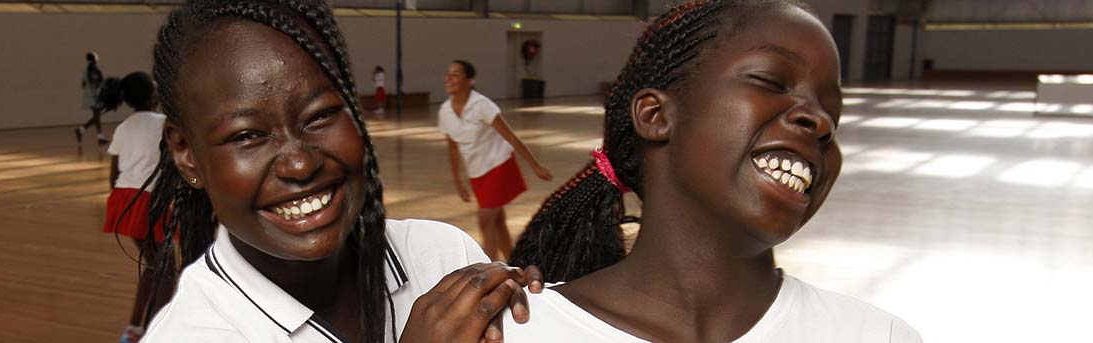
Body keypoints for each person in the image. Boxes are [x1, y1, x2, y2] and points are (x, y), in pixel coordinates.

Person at [503, 1, 921, 342]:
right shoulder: (513, 332)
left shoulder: (875, 335)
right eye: (771, 81)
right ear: (655, 115)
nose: (821, 122)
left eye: (832, 113)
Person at [138, 1, 541, 342]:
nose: (300, 163)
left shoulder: (441, 254)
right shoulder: (193, 333)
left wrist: (543, 313)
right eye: (247, 135)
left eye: (322, 115)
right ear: (186, 153)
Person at [439, 60, 553, 262]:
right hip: (477, 172)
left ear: (469, 80)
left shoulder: (482, 104)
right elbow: (453, 149)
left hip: (499, 164)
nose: (449, 78)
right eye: (448, 74)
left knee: (485, 220)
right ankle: (513, 263)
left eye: (455, 74)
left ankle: (489, 270)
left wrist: (535, 165)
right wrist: (458, 182)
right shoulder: (445, 111)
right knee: (497, 221)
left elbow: (510, 136)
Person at [101, 72, 175, 343]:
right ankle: (153, 332)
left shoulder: (124, 126)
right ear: (155, 96)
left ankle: (134, 329)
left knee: (155, 264)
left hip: (124, 199)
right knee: (165, 268)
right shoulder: (163, 123)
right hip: (150, 200)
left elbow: (113, 175)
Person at [76, 52, 111, 144]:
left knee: (97, 116)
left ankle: (81, 130)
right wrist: (96, 95)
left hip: (90, 95)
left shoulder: (87, 70)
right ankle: (100, 137)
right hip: (94, 95)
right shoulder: (93, 70)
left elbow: (83, 84)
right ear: (95, 58)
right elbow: (94, 83)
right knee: (97, 116)